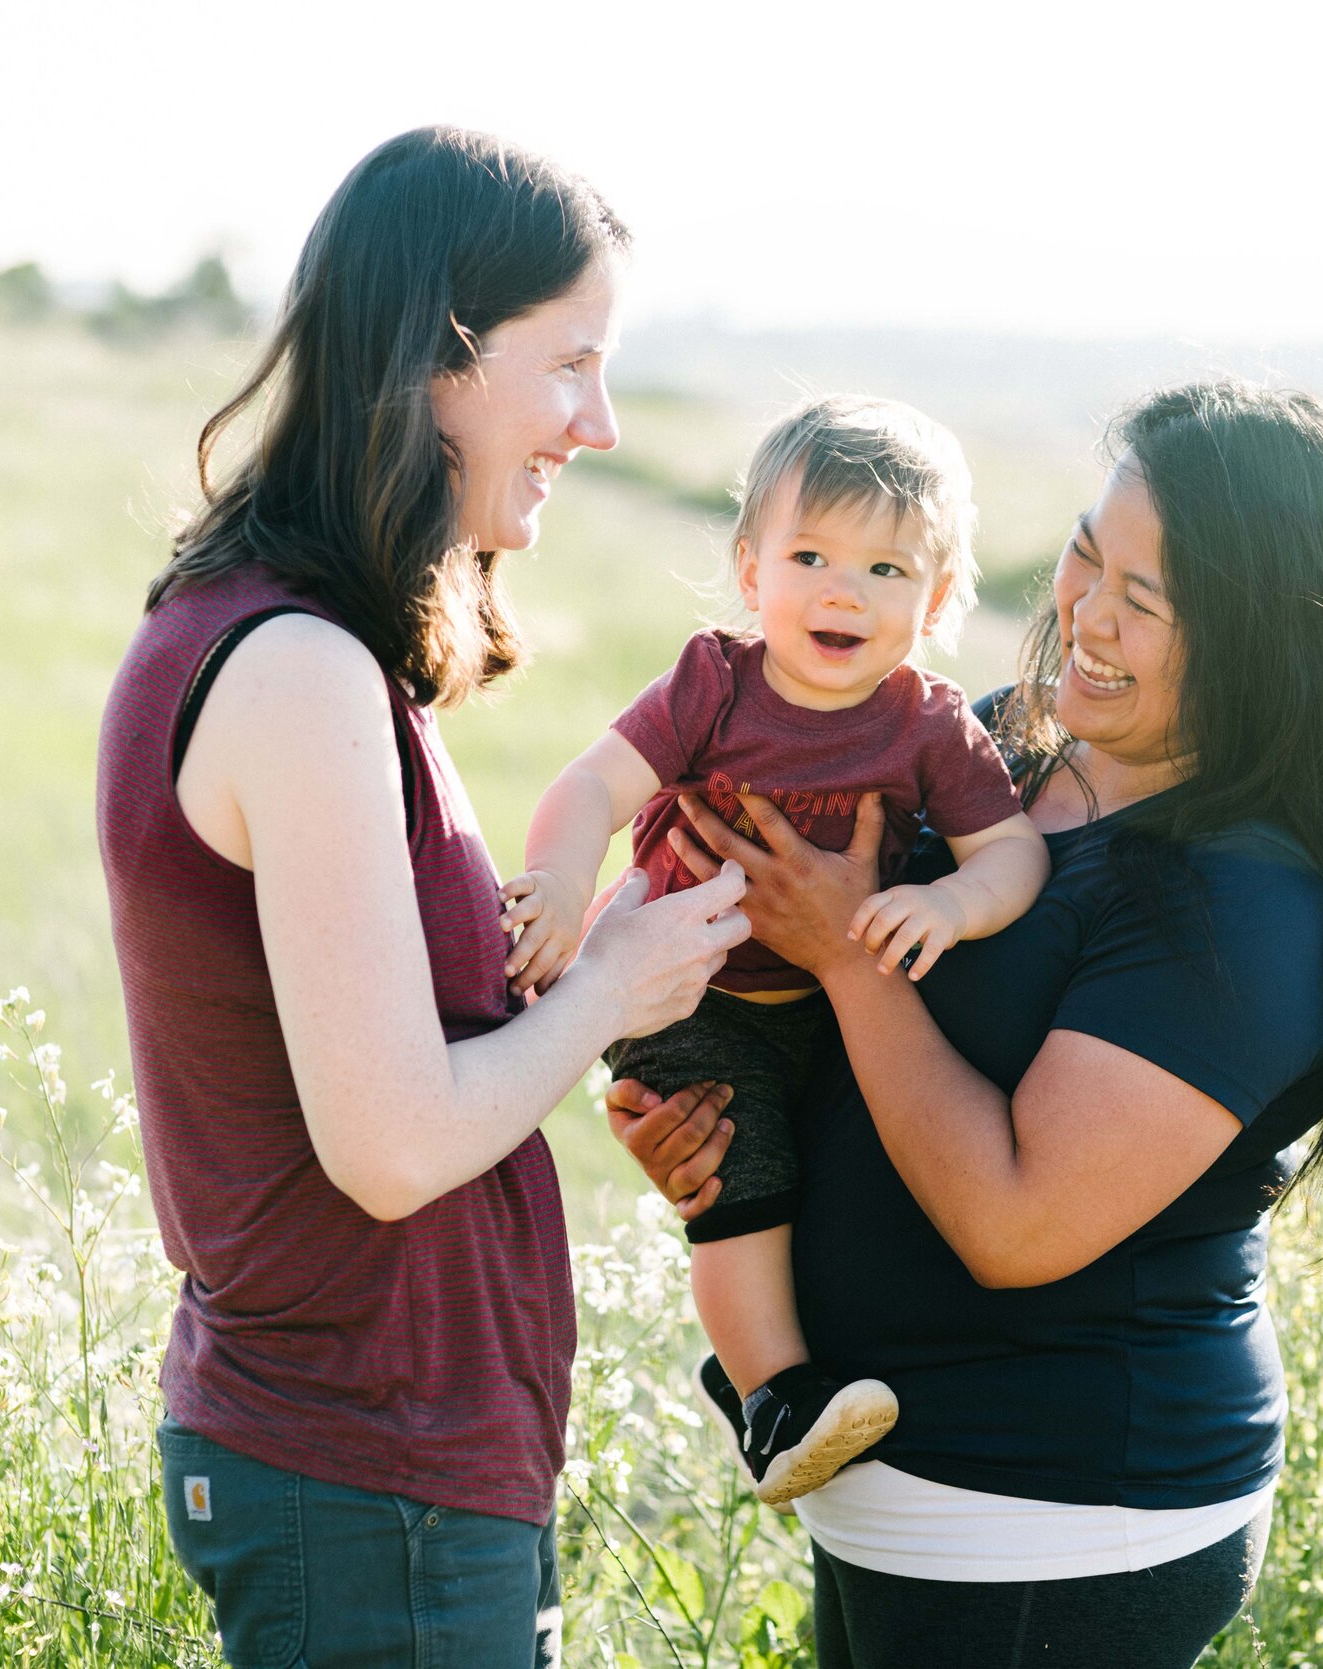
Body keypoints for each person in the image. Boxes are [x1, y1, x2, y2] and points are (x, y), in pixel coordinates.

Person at [611, 381, 1323, 1668]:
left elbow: (1014, 1223)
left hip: (1056, 1529)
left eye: (1145, 603)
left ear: (1262, 638)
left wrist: (845, 959)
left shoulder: (1245, 899)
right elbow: (848, 1039)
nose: (1087, 616)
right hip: (897, 1500)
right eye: (1086, 555)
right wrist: (719, 1114)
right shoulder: (1004, 745)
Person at [96, 127, 747, 1669]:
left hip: (390, 1472)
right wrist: (607, 989)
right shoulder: (297, 668)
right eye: (570, 362)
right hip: (364, 1476)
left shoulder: (303, 645)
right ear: (439, 360)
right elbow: (389, 1146)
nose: (597, 423)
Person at [504, 396, 1049, 1507]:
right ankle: (774, 1398)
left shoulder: (931, 725)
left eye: (887, 570)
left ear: (939, 599)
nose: (842, 590)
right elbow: (592, 785)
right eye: (810, 555)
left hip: (827, 1002)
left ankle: (820, 1366)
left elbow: (1013, 857)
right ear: (751, 570)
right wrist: (563, 884)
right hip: (683, 986)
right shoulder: (715, 683)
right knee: (740, 1181)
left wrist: (952, 907)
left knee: (835, 1172)